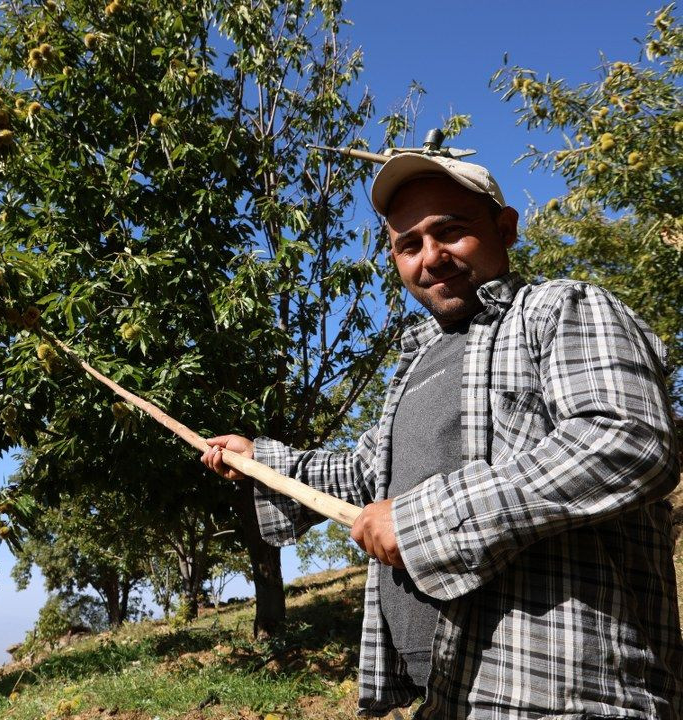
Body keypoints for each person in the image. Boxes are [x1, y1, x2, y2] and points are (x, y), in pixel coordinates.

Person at [202, 152, 683, 719]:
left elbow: (626, 440)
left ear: (504, 227)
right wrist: (263, 460)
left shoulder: (561, 309)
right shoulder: (417, 363)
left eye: (451, 231)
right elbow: (366, 477)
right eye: (409, 245)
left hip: (563, 691)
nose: (431, 258)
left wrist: (422, 520)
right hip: (449, 691)